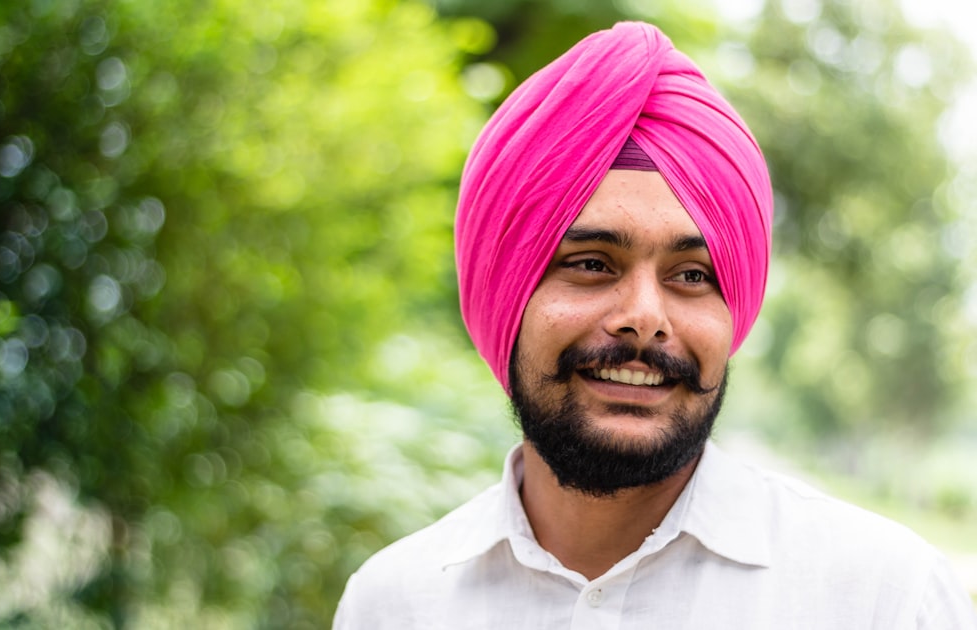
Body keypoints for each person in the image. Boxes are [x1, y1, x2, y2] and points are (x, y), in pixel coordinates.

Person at [333, 21, 977, 629]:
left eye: (693, 275)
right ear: (504, 295)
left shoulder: (883, 598)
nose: (644, 318)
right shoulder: (395, 604)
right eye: (591, 263)